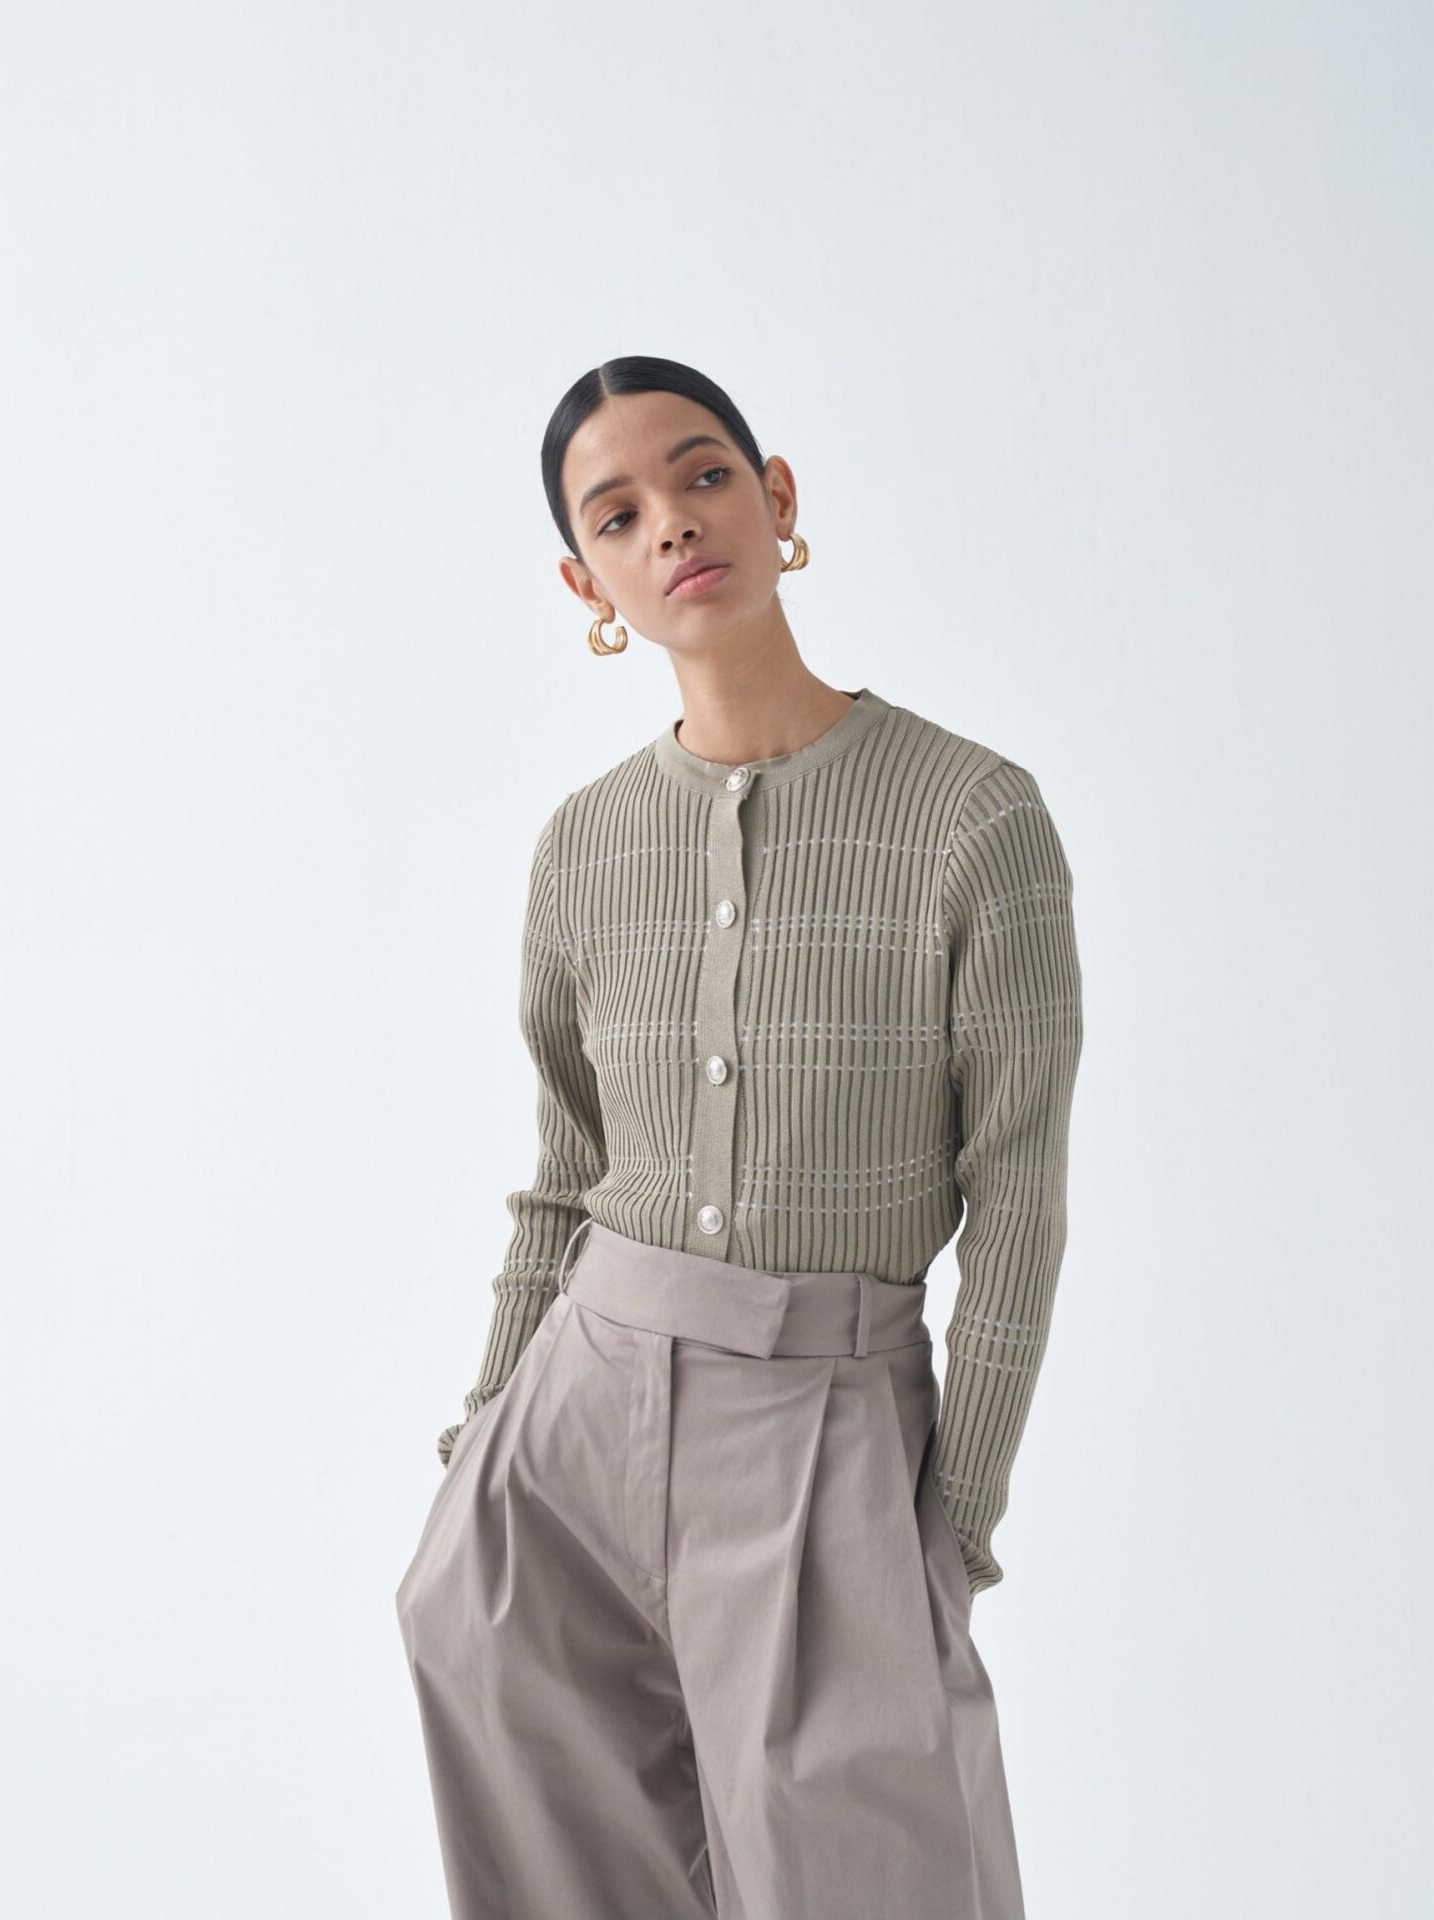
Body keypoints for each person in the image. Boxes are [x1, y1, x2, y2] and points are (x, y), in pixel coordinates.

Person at [395, 355, 1084, 1919]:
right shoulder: (582, 844)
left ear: (775, 498)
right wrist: (479, 1442)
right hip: (573, 1416)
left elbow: (1018, 1201)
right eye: (617, 514)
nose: (671, 525)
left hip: (825, 1418)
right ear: (587, 583)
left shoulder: (970, 818)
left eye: (702, 475)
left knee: (870, 1870)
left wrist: (952, 1523)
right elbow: (566, 1176)